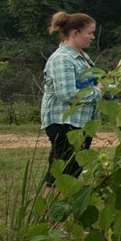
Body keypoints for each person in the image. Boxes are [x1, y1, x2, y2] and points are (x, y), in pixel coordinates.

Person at [41, 11, 102, 192]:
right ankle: (51, 216)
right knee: (61, 173)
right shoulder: (62, 59)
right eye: (89, 33)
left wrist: (117, 92)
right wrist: (98, 93)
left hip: (82, 122)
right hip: (64, 122)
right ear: (75, 33)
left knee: (73, 171)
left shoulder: (82, 56)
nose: (92, 37)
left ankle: (58, 216)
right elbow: (67, 94)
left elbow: (95, 83)